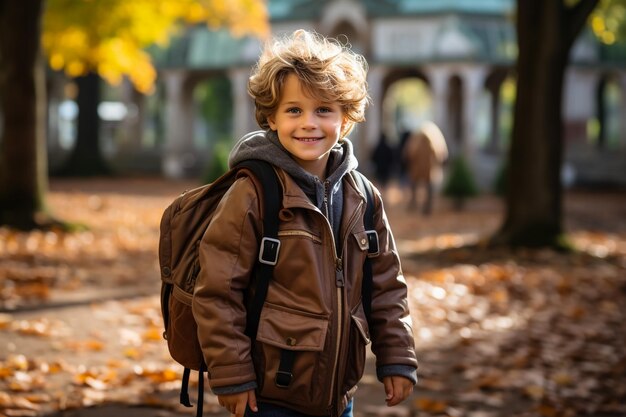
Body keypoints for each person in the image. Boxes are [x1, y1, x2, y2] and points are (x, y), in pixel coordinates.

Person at [192, 29, 418, 417]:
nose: (309, 123)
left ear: (345, 119)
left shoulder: (363, 195)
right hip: (268, 391)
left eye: (324, 110)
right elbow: (218, 290)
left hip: (338, 391)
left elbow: (385, 287)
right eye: (294, 110)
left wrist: (397, 356)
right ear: (272, 118)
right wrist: (232, 373)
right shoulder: (254, 192)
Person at [402, 121, 448, 214]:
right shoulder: (433, 136)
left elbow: (410, 151)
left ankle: (415, 204)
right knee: (427, 187)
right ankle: (425, 206)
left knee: (416, 185)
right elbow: (440, 153)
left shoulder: (418, 136)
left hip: (420, 168)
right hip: (428, 168)